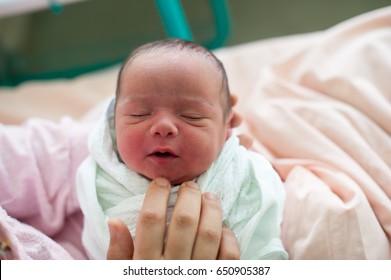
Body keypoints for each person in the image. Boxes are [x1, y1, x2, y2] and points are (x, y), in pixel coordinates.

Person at [77, 38, 287, 260]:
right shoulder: (98, 177)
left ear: (227, 126)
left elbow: (266, 246)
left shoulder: (247, 177)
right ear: (113, 122)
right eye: (139, 113)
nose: (163, 127)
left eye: (191, 116)